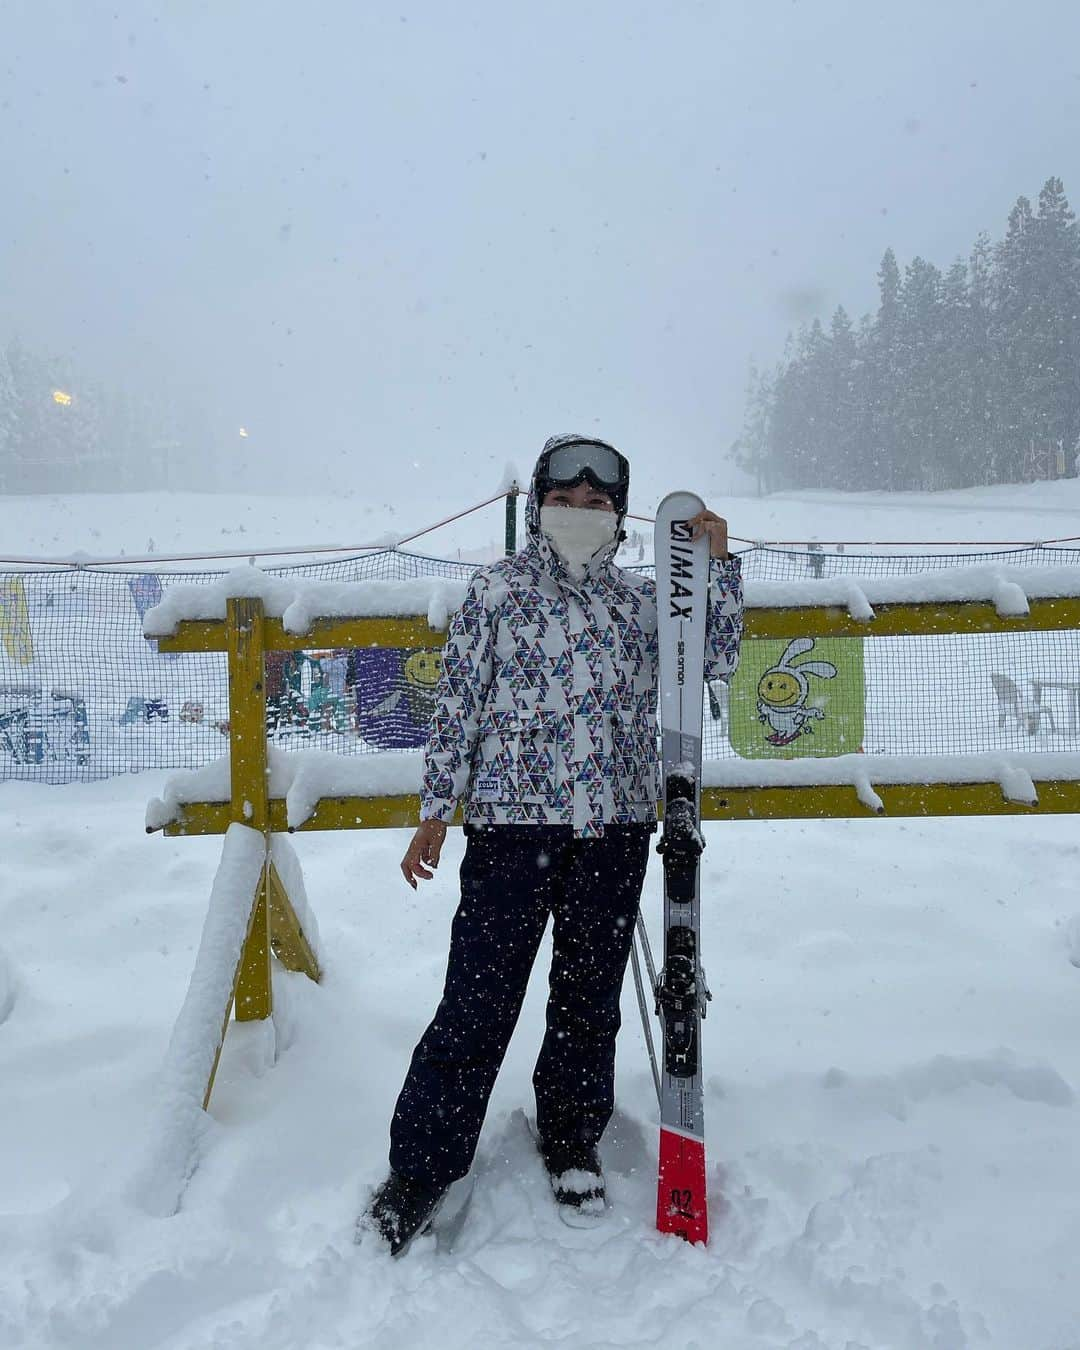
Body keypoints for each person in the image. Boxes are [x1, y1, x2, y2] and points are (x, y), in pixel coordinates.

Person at [360, 434, 744, 1255]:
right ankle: (422, 1167)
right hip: (509, 829)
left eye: (595, 503)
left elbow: (713, 659)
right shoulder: (496, 595)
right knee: (477, 1000)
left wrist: (717, 567)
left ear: (618, 514)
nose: (578, 514)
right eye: (564, 502)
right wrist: (437, 807)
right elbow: (459, 705)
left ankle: (572, 1137)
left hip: (612, 830)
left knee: (586, 1000)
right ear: (539, 507)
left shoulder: (644, 606)